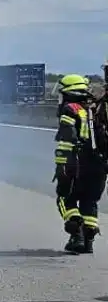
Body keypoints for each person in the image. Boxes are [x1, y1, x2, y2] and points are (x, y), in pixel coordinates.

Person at [53, 74, 106, 254]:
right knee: (89, 201)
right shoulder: (97, 109)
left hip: (76, 163)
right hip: (99, 165)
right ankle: (88, 240)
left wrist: (63, 166)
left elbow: (67, 138)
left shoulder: (70, 109)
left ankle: (76, 234)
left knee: (64, 197)